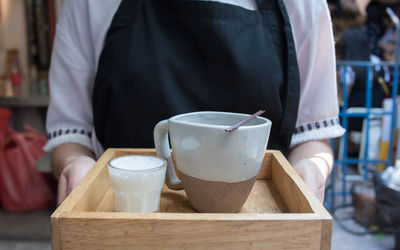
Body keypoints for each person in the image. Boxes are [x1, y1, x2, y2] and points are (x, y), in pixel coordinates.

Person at [45, 0, 345, 205]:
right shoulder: (90, 4)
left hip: (258, 234)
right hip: (125, 226)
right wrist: (76, 164)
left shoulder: (304, 5)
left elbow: (313, 138)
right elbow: (71, 135)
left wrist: (310, 169)